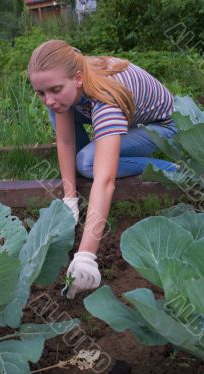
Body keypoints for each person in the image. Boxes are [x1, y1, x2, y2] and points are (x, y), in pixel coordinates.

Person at [28, 39, 177, 299]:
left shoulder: (105, 100)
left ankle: (171, 168)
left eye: (54, 89)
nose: (48, 99)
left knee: (87, 163)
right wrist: (69, 198)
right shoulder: (70, 82)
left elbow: (106, 181)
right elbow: (64, 140)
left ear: (77, 78)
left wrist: (86, 255)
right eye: (41, 93)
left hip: (162, 129)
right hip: (128, 117)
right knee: (61, 115)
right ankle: (96, 161)